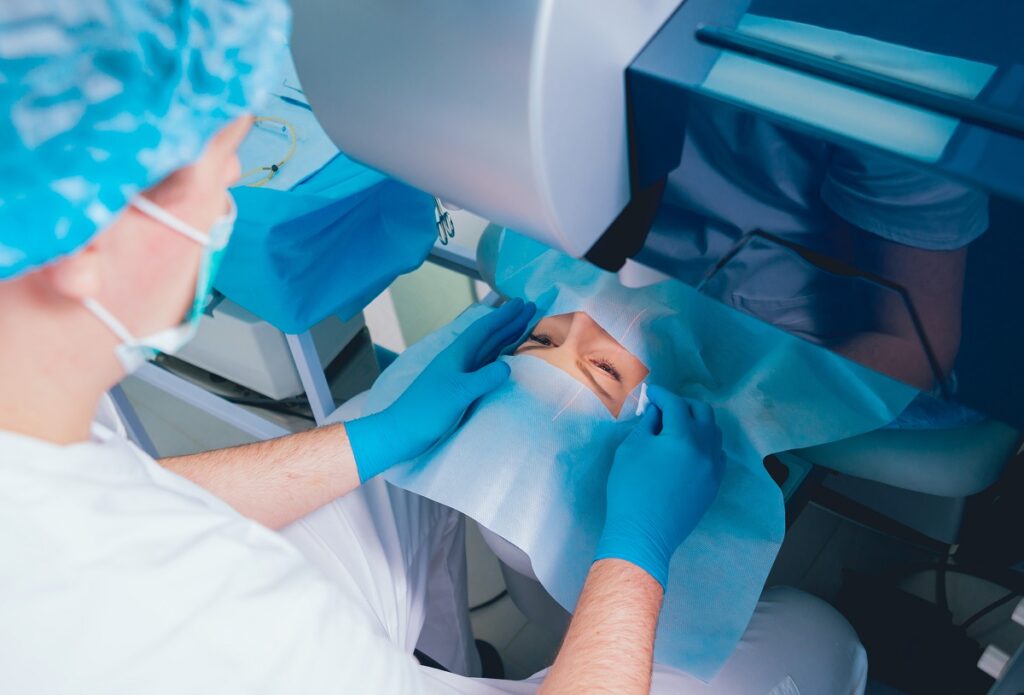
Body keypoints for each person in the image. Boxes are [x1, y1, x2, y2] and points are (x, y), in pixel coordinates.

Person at [0, 4, 743, 694]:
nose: (233, 192)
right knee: (816, 639)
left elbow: (128, 494)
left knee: (392, 467)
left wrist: (372, 439)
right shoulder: (243, 633)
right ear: (87, 243)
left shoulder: (31, 409)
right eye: (216, 167)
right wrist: (637, 553)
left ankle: (451, 651)